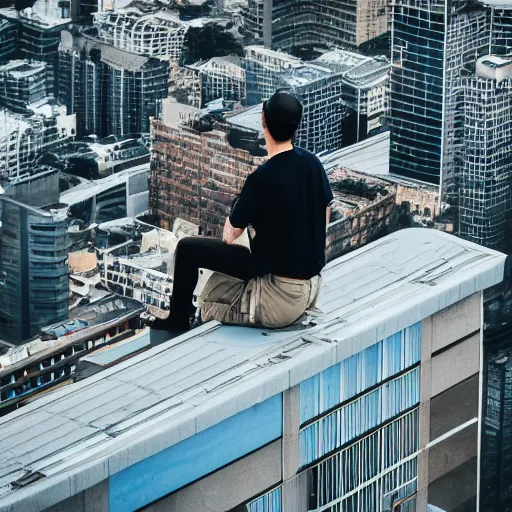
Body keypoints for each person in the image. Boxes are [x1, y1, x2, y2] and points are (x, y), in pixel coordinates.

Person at [166, 91, 333, 332]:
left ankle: (176, 323)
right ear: (297, 125)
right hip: (310, 289)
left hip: (278, 298)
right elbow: (324, 216)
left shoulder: (264, 177)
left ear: (263, 120)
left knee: (187, 250)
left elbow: (229, 235)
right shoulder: (313, 164)